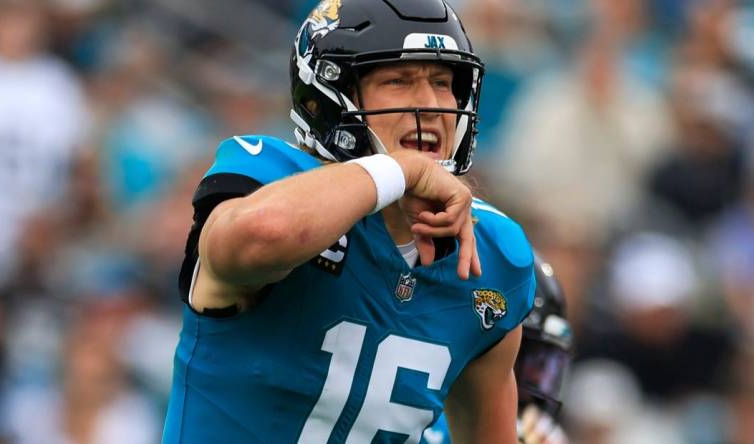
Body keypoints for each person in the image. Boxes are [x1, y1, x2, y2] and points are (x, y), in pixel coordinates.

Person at [162, 0, 536, 443]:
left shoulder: (494, 255)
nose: (433, 106)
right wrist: (403, 170)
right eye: (399, 81)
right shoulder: (267, 177)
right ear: (328, 99)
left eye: (442, 82)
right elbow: (263, 234)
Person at [421, 255, 574, 444]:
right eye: (525, 355)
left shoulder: (544, 434)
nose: (535, 375)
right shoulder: (428, 421)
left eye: (542, 362)